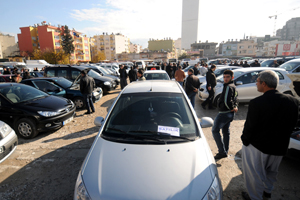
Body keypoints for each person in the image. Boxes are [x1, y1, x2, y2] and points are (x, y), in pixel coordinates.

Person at [240, 70, 298, 200]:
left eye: (257, 81)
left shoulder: (256, 103)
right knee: (272, 172)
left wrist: (245, 141)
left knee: (255, 174)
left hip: (258, 147)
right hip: (280, 147)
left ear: (264, 84)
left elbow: (250, 126)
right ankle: (267, 192)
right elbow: (292, 125)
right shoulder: (293, 101)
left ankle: (255, 197)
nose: (256, 84)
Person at [212, 70, 238, 160]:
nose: (225, 79)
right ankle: (225, 150)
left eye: (227, 77)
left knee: (215, 130)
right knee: (226, 131)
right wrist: (235, 107)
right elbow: (236, 98)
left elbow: (228, 101)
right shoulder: (233, 86)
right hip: (230, 114)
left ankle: (222, 152)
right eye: (224, 77)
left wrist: (231, 107)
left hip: (224, 113)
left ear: (232, 77)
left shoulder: (228, 87)